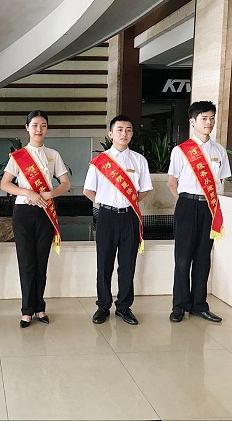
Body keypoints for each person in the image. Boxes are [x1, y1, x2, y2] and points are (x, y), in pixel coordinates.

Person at [0, 110, 70, 328]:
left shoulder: (53, 154)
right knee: (27, 263)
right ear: (27, 128)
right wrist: (27, 192)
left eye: (43, 125)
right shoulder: (18, 156)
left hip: (46, 212)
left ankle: (40, 307)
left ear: (47, 128)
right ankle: (26, 310)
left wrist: (50, 194)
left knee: (41, 262)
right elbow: (4, 184)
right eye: (35, 125)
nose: (39, 129)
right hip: (23, 213)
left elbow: (65, 183)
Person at [83, 115, 152, 325]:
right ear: (110, 134)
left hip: (130, 216)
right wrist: (107, 202)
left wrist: (127, 202)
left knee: (127, 264)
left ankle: (124, 307)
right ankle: (103, 306)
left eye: (128, 129)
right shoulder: (99, 162)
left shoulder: (139, 160)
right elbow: (88, 191)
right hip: (106, 216)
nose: (124, 133)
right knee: (104, 264)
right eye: (120, 129)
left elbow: (144, 190)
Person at [167, 101, 230, 323]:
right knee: (183, 258)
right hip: (187, 204)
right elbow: (172, 182)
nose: (209, 122)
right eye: (204, 118)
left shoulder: (219, 150)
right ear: (193, 121)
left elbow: (221, 181)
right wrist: (186, 203)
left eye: (212, 118)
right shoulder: (180, 151)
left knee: (203, 257)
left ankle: (199, 305)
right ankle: (179, 305)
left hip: (209, 207)